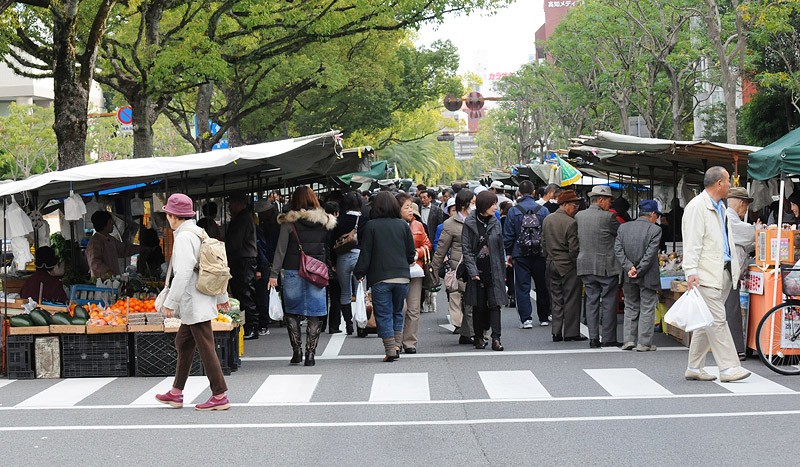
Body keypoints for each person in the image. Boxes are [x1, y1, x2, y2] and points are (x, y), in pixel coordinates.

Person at [155, 193, 231, 411]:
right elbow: (216, 265)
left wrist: (170, 302)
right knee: (184, 343)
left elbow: (183, 272)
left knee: (205, 347)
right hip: (203, 296)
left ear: (172, 215)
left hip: (193, 300)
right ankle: (176, 392)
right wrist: (222, 297)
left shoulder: (183, 237)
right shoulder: (199, 232)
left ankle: (219, 395)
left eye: (167, 214)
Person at [682, 166, 750, 382]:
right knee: (718, 321)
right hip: (705, 274)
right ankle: (729, 368)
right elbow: (692, 242)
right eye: (729, 180)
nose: (731, 184)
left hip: (723, 272)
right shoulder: (697, 207)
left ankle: (694, 367)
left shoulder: (720, 207)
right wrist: (691, 271)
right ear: (719, 183)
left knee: (706, 321)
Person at [269, 186, 337, 366]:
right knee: (315, 314)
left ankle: (297, 351)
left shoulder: (289, 223)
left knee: (292, 312)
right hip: (317, 271)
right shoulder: (324, 222)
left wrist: (273, 273)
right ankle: (311, 354)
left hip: (293, 270)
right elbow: (328, 247)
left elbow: (280, 250)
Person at [353, 192, 416, 362]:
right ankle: (396, 344)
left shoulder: (371, 226)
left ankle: (390, 350)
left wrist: (359, 273)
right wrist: (407, 261)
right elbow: (411, 253)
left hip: (381, 278)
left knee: (383, 314)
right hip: (402, 277)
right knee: (397, 312)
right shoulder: (403, 225)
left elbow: (366, 253)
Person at [576, 185, 621, 348]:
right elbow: (620, 234)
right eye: (609, 200)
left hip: (585, 264)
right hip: (606, 266)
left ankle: (593, 338)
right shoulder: (608, 217)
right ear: (601, 200)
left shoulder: (579, 216)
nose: (610, 203)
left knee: (591, 301)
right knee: (608, 302)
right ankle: (608, 338)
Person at [614, 200, 663, 351]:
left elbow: (618, 249)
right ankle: (644, 343)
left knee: (630, 306)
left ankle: (628, 340)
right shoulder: (655, 230)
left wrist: (629, 268)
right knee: (647, 307)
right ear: (653, 214)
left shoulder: (623, 227)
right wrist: (639, 269)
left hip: (628, 275)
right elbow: (650, 254)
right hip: (647, 275)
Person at [462, 190, 508, 351]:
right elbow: (466, 249)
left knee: (495, 305)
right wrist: (472, 271)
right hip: (477, 271)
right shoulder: (470, 222)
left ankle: (496, 338)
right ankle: (479, 337)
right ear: (483, 205)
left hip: (494, 269)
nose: (495, 207)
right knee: (478, 306)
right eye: (492, 204)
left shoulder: (496, 222)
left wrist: (503, 265)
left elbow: (500, 245)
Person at [503, 180, 551, 329]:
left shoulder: (513, 210)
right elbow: (548, 234)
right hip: (540, 254)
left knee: (522, 287)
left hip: (520, 254)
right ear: (534, 193)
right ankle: (544, 317)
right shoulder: (543, 210)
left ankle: (526, 319)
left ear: (519, 193)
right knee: (542, 286)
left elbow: (508, 234)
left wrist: (509, 253)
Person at [432, 189, 475, 344]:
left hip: (477, 266)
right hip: (459, 268)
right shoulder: (450, 224)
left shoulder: (477, 219)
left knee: (473, 301)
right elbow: (441, 248)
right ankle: (468, 332)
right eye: (473, 202)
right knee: (465, 300)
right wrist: (434, 271)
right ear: (465, 204)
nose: (474, 205)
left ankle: (468, 332)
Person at [541, 190, 585, 342]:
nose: (576, 208)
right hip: (567, 265)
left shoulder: (547, 219)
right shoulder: (571, 223)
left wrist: (549, 258)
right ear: (565, 205)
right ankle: (571, 333)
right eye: (574, 205)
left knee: (556, 299)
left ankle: (556, 331)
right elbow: (574, 249)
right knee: (572, 299)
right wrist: (574, 263)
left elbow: (544, 243)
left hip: (551, 263)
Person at [725, 187, 758, 360]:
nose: (746, 210)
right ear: (742, 204)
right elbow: (752, 234)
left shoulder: (726, 216)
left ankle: (730, 348)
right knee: (732, 309)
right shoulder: (730, 218)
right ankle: (736, 350)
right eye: (746, 206)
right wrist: (759, 229)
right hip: (728, 271)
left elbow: (744, 244)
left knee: (727, 309)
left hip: (726, 269)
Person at [397, 192, 432, 354]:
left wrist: (417, 253)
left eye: (411, 207)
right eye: (407, 207)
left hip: (416, 271)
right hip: (397, 271)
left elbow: (427, 244)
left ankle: (409, 342)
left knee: (413, 309)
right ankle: (396, 341)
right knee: (400, 308)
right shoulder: (393, 226)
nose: (411, 210)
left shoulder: (418, 225)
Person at [329, 191, 368, 335]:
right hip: (360, 258)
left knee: (345, 292)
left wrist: (333, 262)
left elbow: (332, 243)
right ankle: (361, 326)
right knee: (360, 293)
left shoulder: (338, 221)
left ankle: (348, 325)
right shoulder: (365, 220)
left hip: (342, 258)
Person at [224, 192, 259, 340]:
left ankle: (252, 326)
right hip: (242, 260)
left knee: (245, 293)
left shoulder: (243, 219)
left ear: (240, 204)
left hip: (243, 260)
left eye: (232, 203)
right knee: (242, 293)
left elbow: (235, 243)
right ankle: (248, 326)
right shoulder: (242, 217)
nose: (230, 206)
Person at [86, 210, 144, 278]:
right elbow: (94, 262)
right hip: (102, 283)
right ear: (104, 225)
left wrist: (141, 249)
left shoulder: (110, 239)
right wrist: (108, 272)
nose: (113, 224)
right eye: (110, 222)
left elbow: (123, 249)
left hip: (114, 280)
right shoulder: (95, 242)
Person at [254, 199, 275, 336]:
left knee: (262, 294)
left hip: (265, 262)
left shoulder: (264, 226)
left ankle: (262, 323)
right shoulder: (264, 224)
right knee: (263, 294)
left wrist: (261, 267)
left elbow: (262, 248)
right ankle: (263, 322)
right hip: (267, 261)